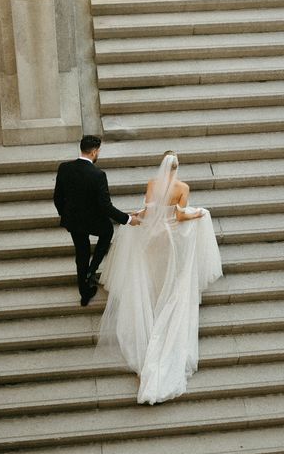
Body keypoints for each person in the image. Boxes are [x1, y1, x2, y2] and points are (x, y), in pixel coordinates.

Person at [95, 151, 223, 404]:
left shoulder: (152, 184)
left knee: (153, 270)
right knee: (172, 274)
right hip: (171, 238)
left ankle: (153, 298)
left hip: (153, 238)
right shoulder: (182, 187)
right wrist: (198, 214)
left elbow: (148, 209)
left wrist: (138, 214)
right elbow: (179, 215)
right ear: (176, 168)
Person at [54, 135, 140, 306]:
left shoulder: (64, 168)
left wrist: (65, 214)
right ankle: (91, 270)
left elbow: (57, 197)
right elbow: (106, 206)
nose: (98, 153)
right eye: (98, 151)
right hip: (93, 220)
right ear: (93, 152)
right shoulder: (98, 175)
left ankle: (84, 293)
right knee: (107, 231)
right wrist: (129, 219)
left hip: (74, 221)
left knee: (81, 253)